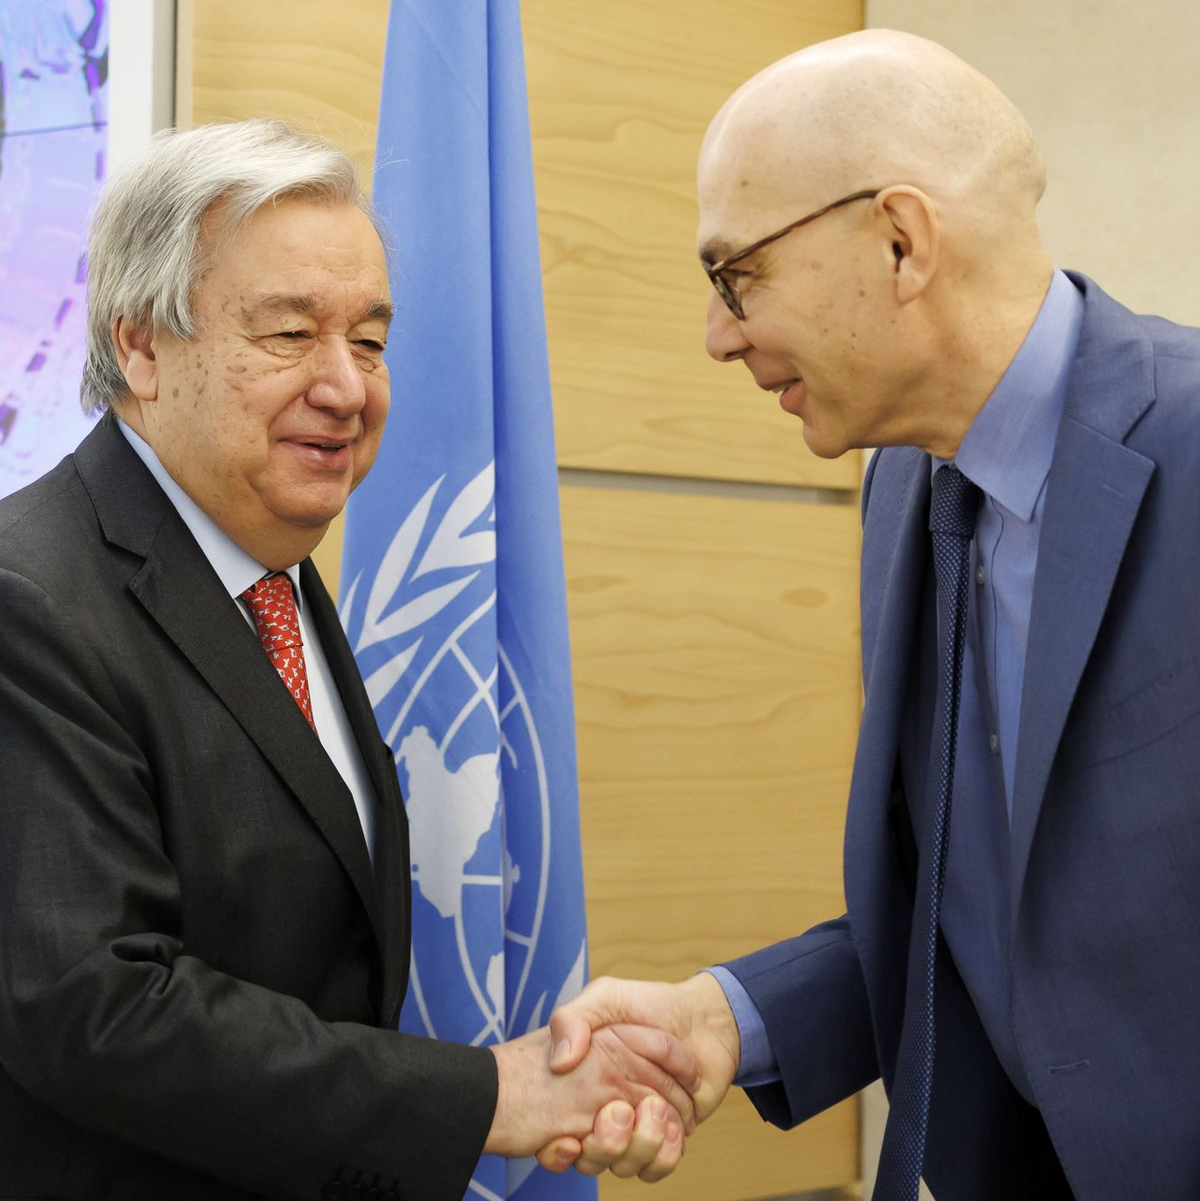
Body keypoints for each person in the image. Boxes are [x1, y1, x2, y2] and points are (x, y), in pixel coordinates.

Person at [547, 28, 1200, 1200]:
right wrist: (723, 1020)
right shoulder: (903, 484)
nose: (717, 336)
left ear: (901, 241)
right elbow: (975, 907)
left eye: (736, 276)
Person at [0, 120, 692, 1200]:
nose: (346, 388)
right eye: (288, 334)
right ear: (141, 347)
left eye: (368, 342)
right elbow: (97, 1008)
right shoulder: (30, 597)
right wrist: (486, 1096)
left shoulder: (269, 567)